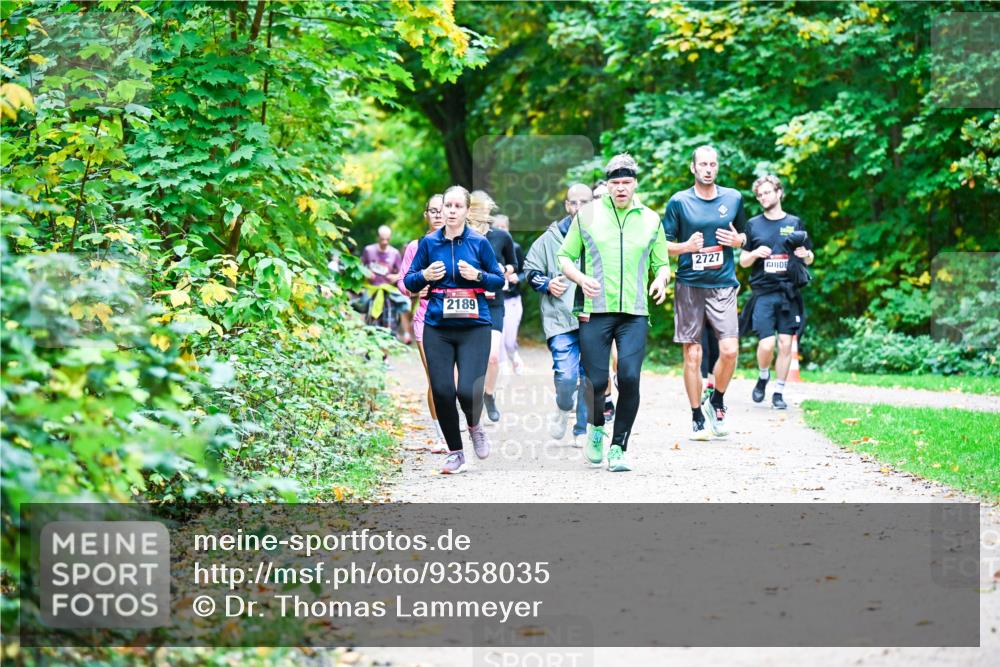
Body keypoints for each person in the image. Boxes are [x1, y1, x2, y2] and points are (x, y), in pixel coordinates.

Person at [558, 154, 671, 472]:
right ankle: (595, 428)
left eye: (626, 182)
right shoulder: (588, 216)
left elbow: (661, 263)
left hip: (634, 312)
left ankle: (619, 447)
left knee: (630, 378)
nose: (621, 188)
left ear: (635, 183)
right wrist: (580, 278)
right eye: (615, 183)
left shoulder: (651, 219)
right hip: (596, 310)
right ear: (607, 185)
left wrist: (661, 279)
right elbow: (565, 256)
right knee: (595, 381)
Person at [403, 186, 506, 474]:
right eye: (447, 205)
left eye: (457, 206)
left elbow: (498, 281)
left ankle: (474, 425)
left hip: (474, 326)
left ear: (465, 211)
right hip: (438, 326)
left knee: (467, 390)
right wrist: (424, 275)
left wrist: (478, 276)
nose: (451, 211)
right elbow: (409, 281)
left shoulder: (478, 243)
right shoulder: (428, 243)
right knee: (443, 390)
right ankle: (455, 452)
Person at [662, 145, 748, 441]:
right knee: (693, 356)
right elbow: (662, 245)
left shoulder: (733, 198)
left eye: (713, 164)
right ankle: (697, 415)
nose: (708, 169)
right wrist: (686, 247)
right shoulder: (679, 202)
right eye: (703, 164)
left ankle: (718, 400)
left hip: (723, 284)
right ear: (693, 168)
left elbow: (745, 235)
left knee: (730, 350)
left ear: (717, 167)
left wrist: (738, 241)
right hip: (690, 286)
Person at [524, 183, 593, 448]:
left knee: (589, 375)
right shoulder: (549, 239)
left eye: (585, 203)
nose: (578, 209)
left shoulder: (602, 236)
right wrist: (547, 283)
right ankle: (564, 407)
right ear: (566, 205)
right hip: (559, 319)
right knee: (566, 377)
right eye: (573, 203)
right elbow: (529, 271)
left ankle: (581, 428)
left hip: (593, 316)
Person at [739, 174, 814, 410]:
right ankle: (763, 376)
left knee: (785, 343)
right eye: (759, 194)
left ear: (779, 193)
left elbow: (810, 256)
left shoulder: (794, 222)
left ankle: (779, 392)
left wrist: (806, 256)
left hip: (789, 292)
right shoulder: (753, 225)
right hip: (763, 292)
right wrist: (754, 254)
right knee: (767, 344)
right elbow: (742, 261)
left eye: (767, 192)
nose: (763, 197)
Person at [397, 194, 448, 452]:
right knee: (437, 380)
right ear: (426, 215)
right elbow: (403, 283)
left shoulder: (463, 242)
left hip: (460, 320)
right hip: (426, 320)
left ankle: (461, 424)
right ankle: (441, 436)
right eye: (433, 210)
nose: (438, 215)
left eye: (443, 209)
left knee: (459, 381)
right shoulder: (416, 247)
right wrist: (419, 287)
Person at [468, 191, 518, 423]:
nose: (483, 214)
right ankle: (470, 398)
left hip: (495, 302)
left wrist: (503, 270)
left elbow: (513, 264)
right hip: (469, 301)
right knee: (470, 356)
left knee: (493, 357)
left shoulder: (501, 237)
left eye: (486, 209)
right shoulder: (462, 237)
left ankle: (489, 394)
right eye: (478, 209)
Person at [360, 225, 411, 342]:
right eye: (382, 239)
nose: (384, 242)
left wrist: (395, 277)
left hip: (388, 294)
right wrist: (366, 273)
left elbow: (402, 273)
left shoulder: (395, 253)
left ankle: (385, 356)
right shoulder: (368, 250)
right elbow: (360, 268)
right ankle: (370, 351)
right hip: (372, 292)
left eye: (387, 239)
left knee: (389, 323)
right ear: (377, 237)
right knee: (371, 323)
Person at [492, 215, 526, 375]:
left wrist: (516, 278)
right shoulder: (488, 248)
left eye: (503, 227)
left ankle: (515, 359)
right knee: (499, 337)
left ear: (508, 229)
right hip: (495, 299)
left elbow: (526, 272)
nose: (500, 230)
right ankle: (503, 366)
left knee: (509, 340)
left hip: (512, 299)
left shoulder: (516, 248)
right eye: (496, 227)